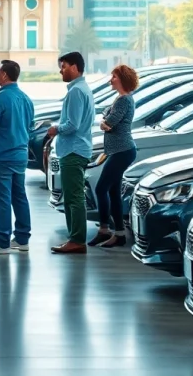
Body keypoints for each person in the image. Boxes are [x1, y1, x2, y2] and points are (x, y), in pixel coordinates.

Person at [0, 60, 35, 255]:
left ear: (3, 75)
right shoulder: (26, 99)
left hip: (2, 156)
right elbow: (31, 128)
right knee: (19, 196)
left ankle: (2, 240)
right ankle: (22, 238)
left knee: (2, 199)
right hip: (20, 156)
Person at [47, 51, 95, 254]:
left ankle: (76, 239)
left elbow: (72, 124)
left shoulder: (76, 91)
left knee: (74, 198)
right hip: (77, 149)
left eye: (64, 66)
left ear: (75, 67)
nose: (61, 70)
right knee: (73, 196)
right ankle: (75, 237)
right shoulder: (83, 88)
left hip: (73, 150)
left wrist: (55, 128)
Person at [91, 64, 140, 248]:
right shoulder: (121, 99)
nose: (110, 80)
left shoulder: (123, 101)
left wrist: (105, 121)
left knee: (101, 189)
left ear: (123, 79)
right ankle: (119, 233)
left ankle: (104, 229)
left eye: (114, 77)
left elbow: (109, 123)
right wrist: (106, 118)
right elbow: (107, 117)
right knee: (112, 191)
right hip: (119, 150)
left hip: (122, 151)